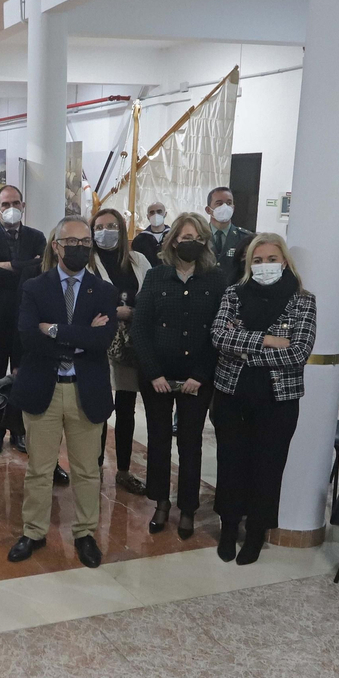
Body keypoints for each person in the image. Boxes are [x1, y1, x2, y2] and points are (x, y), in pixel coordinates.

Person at [7, 217, 118, 568]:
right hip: (45, 388)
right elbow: (28, 336)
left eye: (86, 242)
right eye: (72, 242)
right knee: (39, 470)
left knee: (88, 470)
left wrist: (54, 330)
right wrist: (78, 338)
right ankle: (33, 532)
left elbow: (102, 340)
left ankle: (85, 534)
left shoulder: (103, 290)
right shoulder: (35, 287)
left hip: (87, 391)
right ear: (56, 246)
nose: (80, 248)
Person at [210, 232, 316, 565]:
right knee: (231, 464)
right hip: (231, 396)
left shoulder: (303, 300)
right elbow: (218, 337)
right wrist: (269, 339)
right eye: (257, 260)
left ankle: (255, 534)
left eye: (271, 259)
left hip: (278, 402)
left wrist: (245, 350)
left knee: (267, 468)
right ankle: (228, 529)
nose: (265, 265)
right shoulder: (233, 294)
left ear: (284, 261)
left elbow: (299, 351)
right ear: (248, 263)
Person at [132, 211, 226, 538]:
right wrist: (154, 373)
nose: (192, 243)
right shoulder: (156, 277)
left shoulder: (216, 280)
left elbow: (219, 331)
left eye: (198, 238)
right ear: (173, 241)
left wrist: (200, 375)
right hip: (157, 378)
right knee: (158, 441)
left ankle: (188, 507)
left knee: (190, 443)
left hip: (196, 380)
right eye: (186, 238)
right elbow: (140, 329)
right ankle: (161, 503)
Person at [0, 184, 47, 454]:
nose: (11, 208)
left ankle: (19, 429)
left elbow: (39, 270)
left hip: (25, 314)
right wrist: (22, 265)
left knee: (22, 373)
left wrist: (5, 266)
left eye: (16, 203)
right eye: (5, 204)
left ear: (23, 206)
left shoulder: (37, 237)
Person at [89, 208, 153, 496]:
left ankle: (124, 470)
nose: (106, 231)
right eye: (100, 226)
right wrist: (114, 311)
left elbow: (152, 297)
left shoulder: (138, 260)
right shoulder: (88, 262)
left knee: (126, 409)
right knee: (99, 407)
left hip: (129, 344)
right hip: (99, 342)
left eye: (112, 225)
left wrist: (134, 313)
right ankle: (94, 467)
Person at [205, 187, 254, 285]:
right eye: (219, 203)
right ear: (208, 210)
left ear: (233, 208)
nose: (224, 207)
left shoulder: (245, 238)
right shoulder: (200, 235)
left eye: (228, 203)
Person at [131, 202, 169, 266]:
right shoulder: (139, 239)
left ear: (165, 214)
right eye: (152, 212)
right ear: (148, 216)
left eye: (159, 211)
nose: (155, 215)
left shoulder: (173, 236)